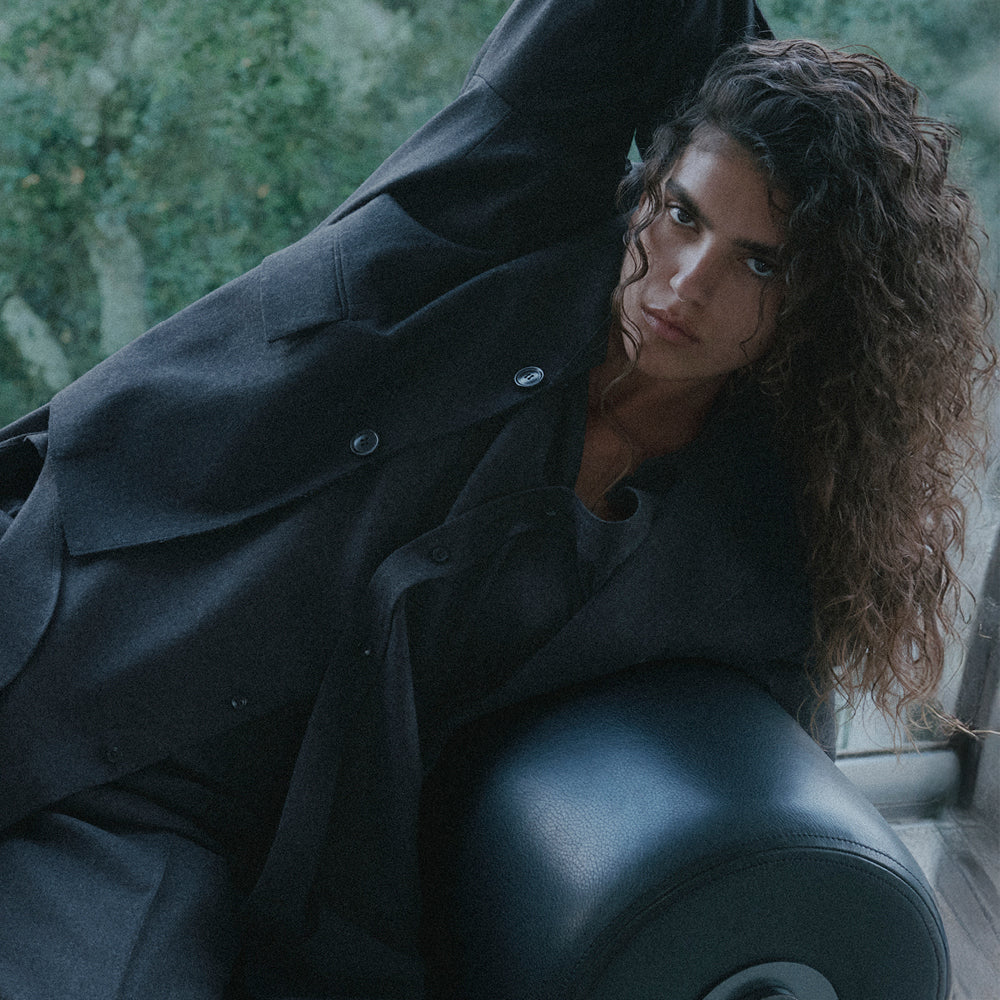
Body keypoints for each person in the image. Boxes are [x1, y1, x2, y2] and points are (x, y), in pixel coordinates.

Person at [0, 0, 994, 997]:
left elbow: (767, 783)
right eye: (683, 215)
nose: (687, 284)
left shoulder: (752, 547)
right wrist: (779, 96)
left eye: (760, 262)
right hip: (74, 628)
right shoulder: (490, 232)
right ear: (648, 185)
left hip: (197, 837)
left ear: (824, 305)